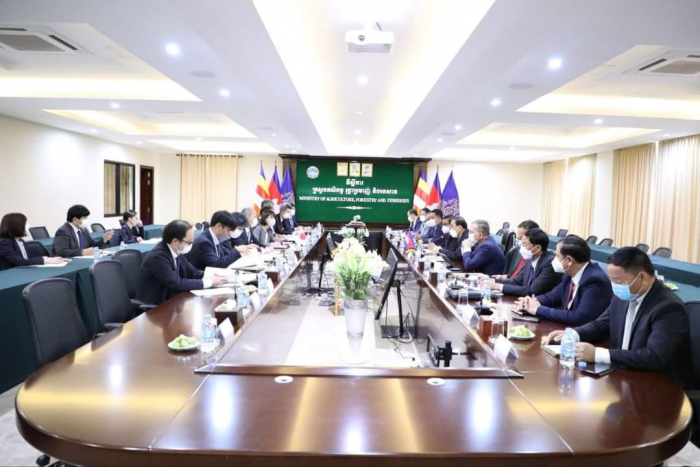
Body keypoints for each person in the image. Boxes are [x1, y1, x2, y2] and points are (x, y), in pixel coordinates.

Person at [542, 247, 692, 388]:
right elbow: (602, 324)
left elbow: (655, 356)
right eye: (612, 280)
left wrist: (597, 354)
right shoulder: (625, 295)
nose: (614, 286)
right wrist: (573, 334)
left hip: (657, 385)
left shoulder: (668, 307)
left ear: (642, 277)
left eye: (618, 281)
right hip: (624, 375)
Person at [516, 235, 612, 325]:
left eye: (557, 256)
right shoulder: (570, 274)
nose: (554, 260)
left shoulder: (595, 280)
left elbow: (580, 317)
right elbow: (552, 297)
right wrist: (531, 302)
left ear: (569, 260)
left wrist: (538, 309)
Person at [136, 220, 227, 305]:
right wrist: (209, 282)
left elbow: (192, 272)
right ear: (175, 241)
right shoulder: (158, 257)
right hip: (155, 307)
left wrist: (212, 276)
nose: (191, 245)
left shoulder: (176, 250)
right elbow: (177, 283)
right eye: (189, 242)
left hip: (172, 301)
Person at [489, 228, 562, 297]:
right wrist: (492, 280)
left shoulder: (549, 263)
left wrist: (498, 286)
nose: (521, 247)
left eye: (524, 244)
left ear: (538, 248)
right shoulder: (530, 259)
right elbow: (517, 282)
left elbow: (533, 290)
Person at [0, 213, 65, 270]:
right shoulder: (3, 243)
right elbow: (20, 261)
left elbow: (26, 258)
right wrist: (45, 260)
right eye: (25, 223)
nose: (28, 226)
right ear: (15, 226)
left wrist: (44, 258)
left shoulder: (20, 240)